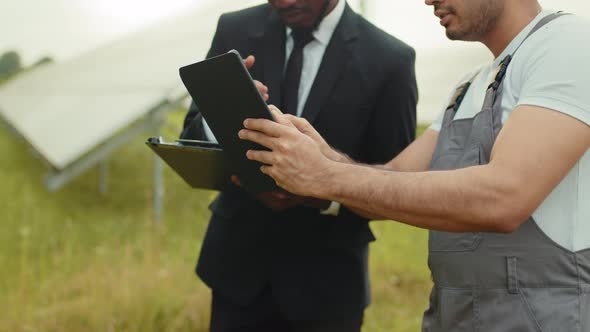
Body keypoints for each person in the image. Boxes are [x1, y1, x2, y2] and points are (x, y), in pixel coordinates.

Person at [239, 0, 590, 330]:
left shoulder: (566, 45)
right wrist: (317, 154)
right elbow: (394, 177)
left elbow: (505, 196)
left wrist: (326, 174)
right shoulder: (468, 86)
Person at [180, 0, 417, 330]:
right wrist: (222, 107)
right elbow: (192, 134)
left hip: (327, 285)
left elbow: (396, 181)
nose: (286, 2)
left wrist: (325, 196)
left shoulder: (390, 59)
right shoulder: (235, 28)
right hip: (238, 275)